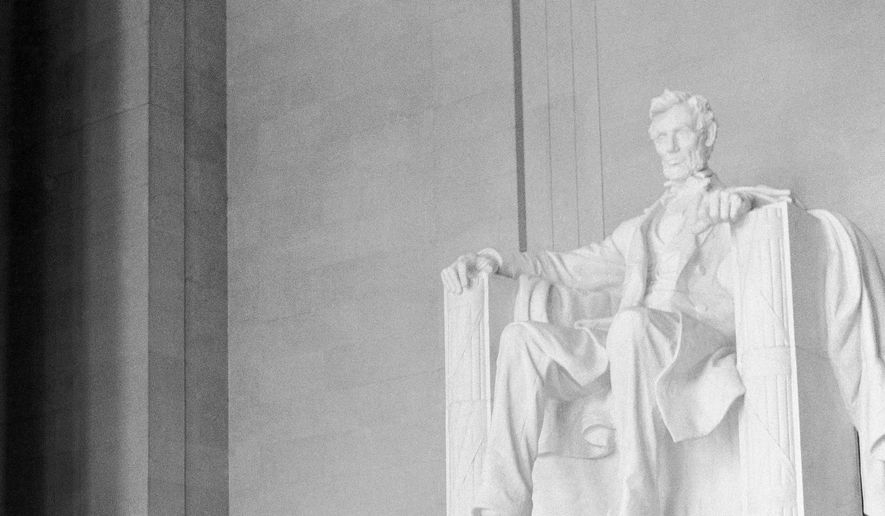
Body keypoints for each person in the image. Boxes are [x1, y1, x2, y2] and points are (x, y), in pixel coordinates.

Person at [442, 90, 775, 515]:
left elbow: (781, 215)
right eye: (661, 137)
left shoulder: (731, 204)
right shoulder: (641, 227)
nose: (669, 148)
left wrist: (743, 208)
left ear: (707, 135)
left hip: (690, 338)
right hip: (629, 337)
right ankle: (503, 503)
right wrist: (496, 260)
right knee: (521, 339)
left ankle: (641, 502)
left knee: (631, 326)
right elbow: (566, 267)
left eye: (680, 134)